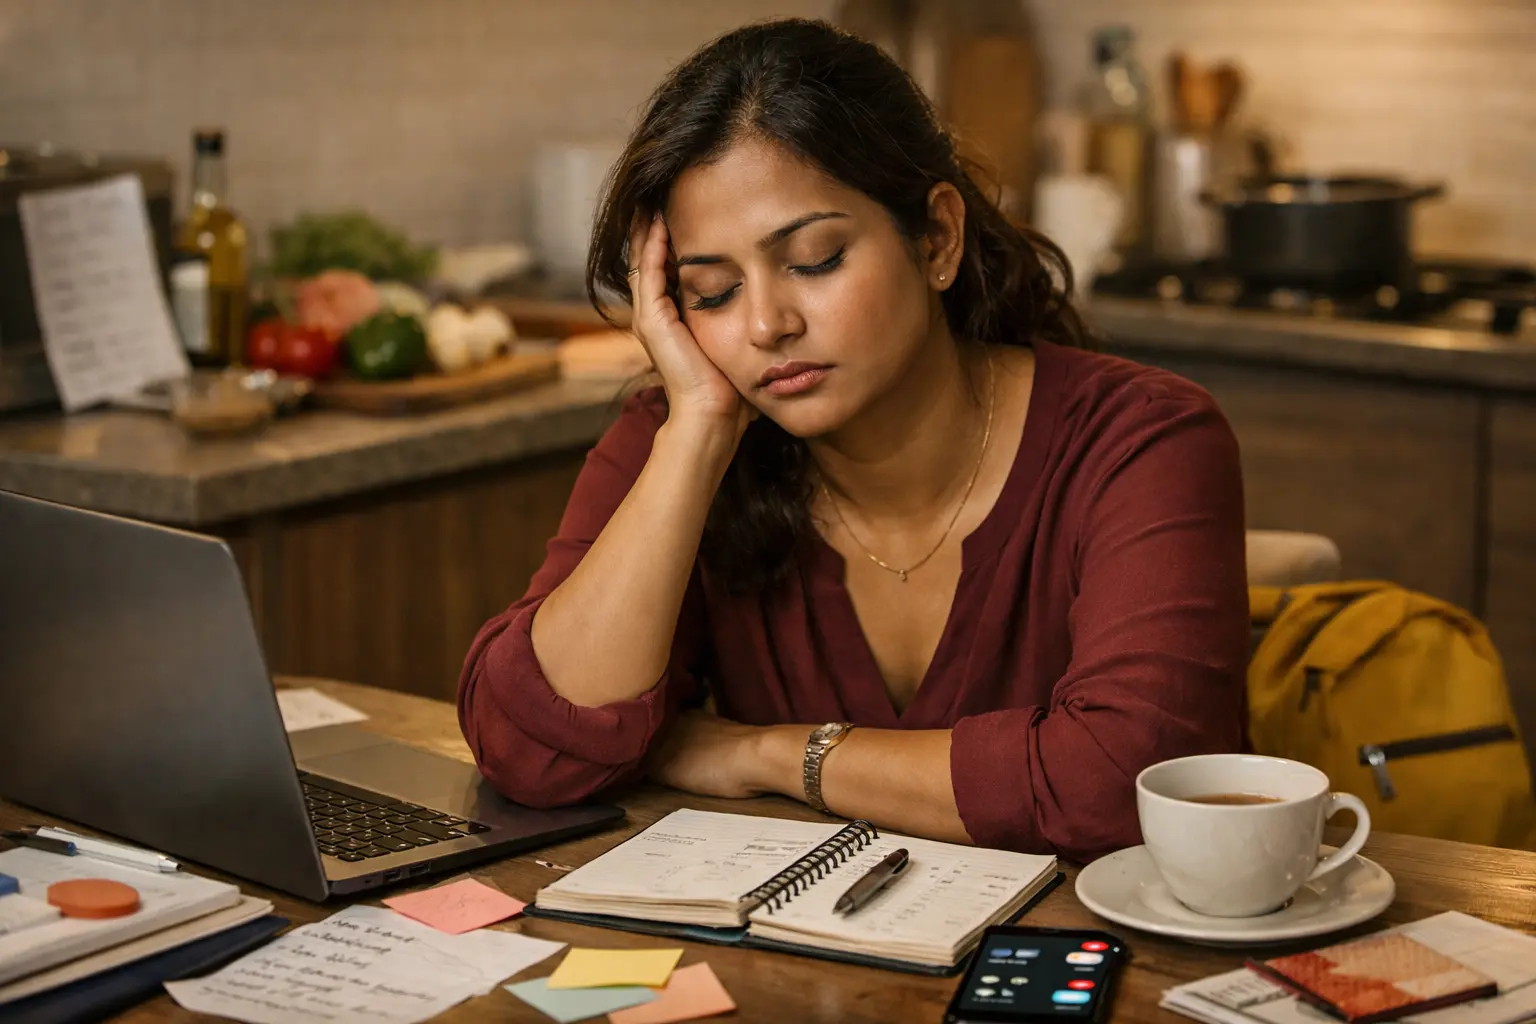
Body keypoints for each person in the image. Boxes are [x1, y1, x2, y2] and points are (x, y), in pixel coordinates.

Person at [458, 18, 1248, 862]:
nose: (767, 324)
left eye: (815, 259)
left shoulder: (1143, 439)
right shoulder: (683, 433)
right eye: (713, 292)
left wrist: (769, 754)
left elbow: (1122, 783)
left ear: (937, 238)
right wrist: (696, 436)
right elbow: (528, 752)